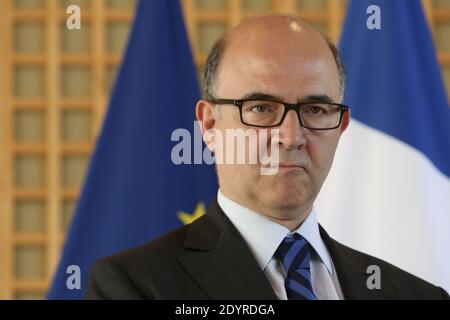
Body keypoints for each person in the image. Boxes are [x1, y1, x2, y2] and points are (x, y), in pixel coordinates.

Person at [86, 14, 449, 300]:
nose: (291, 137)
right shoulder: (135, 286)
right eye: (260, 108)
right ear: (210, 125)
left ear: (341, 126)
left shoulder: (415, 295)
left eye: (316, 109)